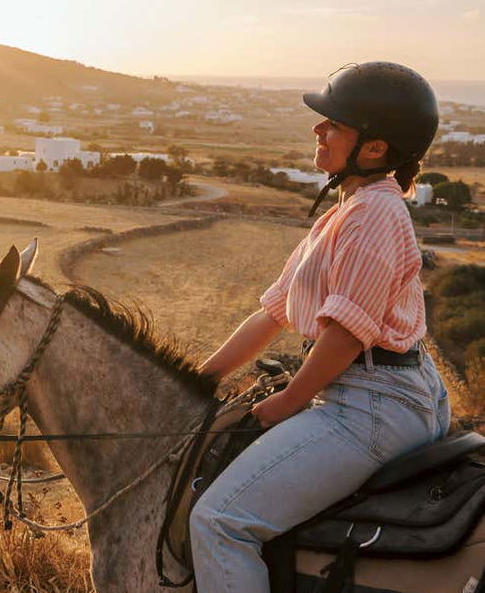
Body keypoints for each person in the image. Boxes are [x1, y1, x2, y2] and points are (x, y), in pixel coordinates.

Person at [189, 61, 451, 591]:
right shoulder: (345, 211)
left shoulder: (374, 213)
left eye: (333, 123)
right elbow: (273, 313)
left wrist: (288, 401)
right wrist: (197, 377)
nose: (318, 129)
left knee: (219, 522)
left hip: (371, 403)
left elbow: (347, 334)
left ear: (374, 148)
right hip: (370, 391)